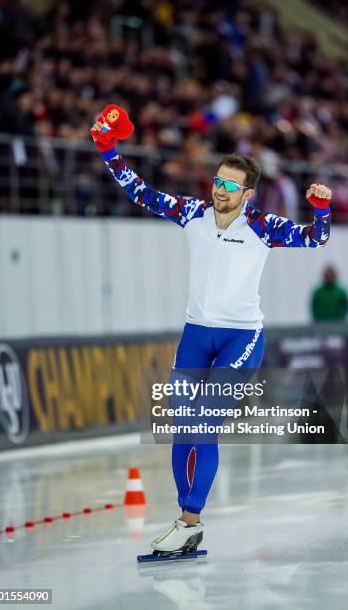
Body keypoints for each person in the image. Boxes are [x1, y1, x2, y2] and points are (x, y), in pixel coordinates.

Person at [91, 108, 332, 555]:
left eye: (229, 185)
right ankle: (188, 521)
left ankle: (190, 520)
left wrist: (321, 210)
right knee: (182, 425)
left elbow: (316, 239)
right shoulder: (192, 214)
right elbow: (141, 192)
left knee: (203, 421)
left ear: (247, 193)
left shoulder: (263, 226)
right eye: (217, 181)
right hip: (196, 334)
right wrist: (109, 150)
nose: (219, 190)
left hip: (241, 339)